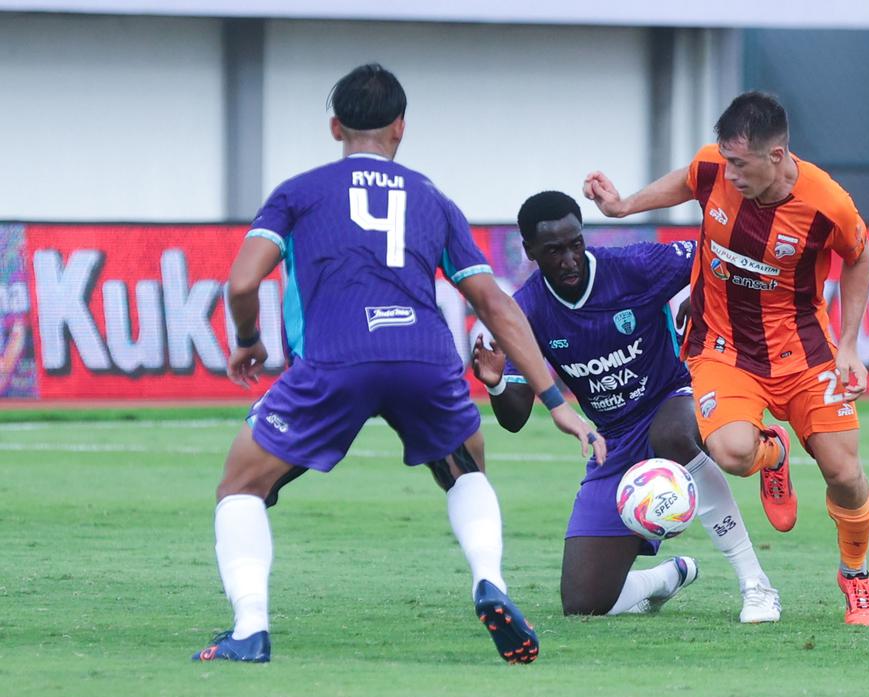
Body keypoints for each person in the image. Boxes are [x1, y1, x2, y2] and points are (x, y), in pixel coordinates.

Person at [192, 64, 604, 665]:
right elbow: (494, 303)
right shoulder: (432, 199)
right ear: (401, 129)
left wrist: (250, 339)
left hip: (336, 359)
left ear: (336, 126)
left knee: (240, 486)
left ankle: (250, 628)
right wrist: (556, 403)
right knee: (466, 474)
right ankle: (491, 582)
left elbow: (241, 281)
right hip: (425, 358)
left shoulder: (300, 193)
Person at [583, 91, 869, 626]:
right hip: (721, 346)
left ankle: (855, 576)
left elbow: (858, 257)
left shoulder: (826, 204)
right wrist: (625, 205)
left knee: (843, 471)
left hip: (804, 351)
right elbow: (686, 179)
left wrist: (851, 345)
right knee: (731, 453)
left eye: (740, 164)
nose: (730, 174)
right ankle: (772, 453)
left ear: (777, 155)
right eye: (725, 161)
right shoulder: (714, 169)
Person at [471, 191, 781, 623]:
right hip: (612, 441)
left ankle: (757, 586)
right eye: (554, 251)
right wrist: (499, 382)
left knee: (670, 435)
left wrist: (705, 290)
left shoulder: (632, 267)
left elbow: (719, 252)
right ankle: (665, 578)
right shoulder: (525, 310)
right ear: (530, 252)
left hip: (675, 398)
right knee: (583, 603)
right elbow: (515, 417)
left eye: (575, 244)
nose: (569, 259)